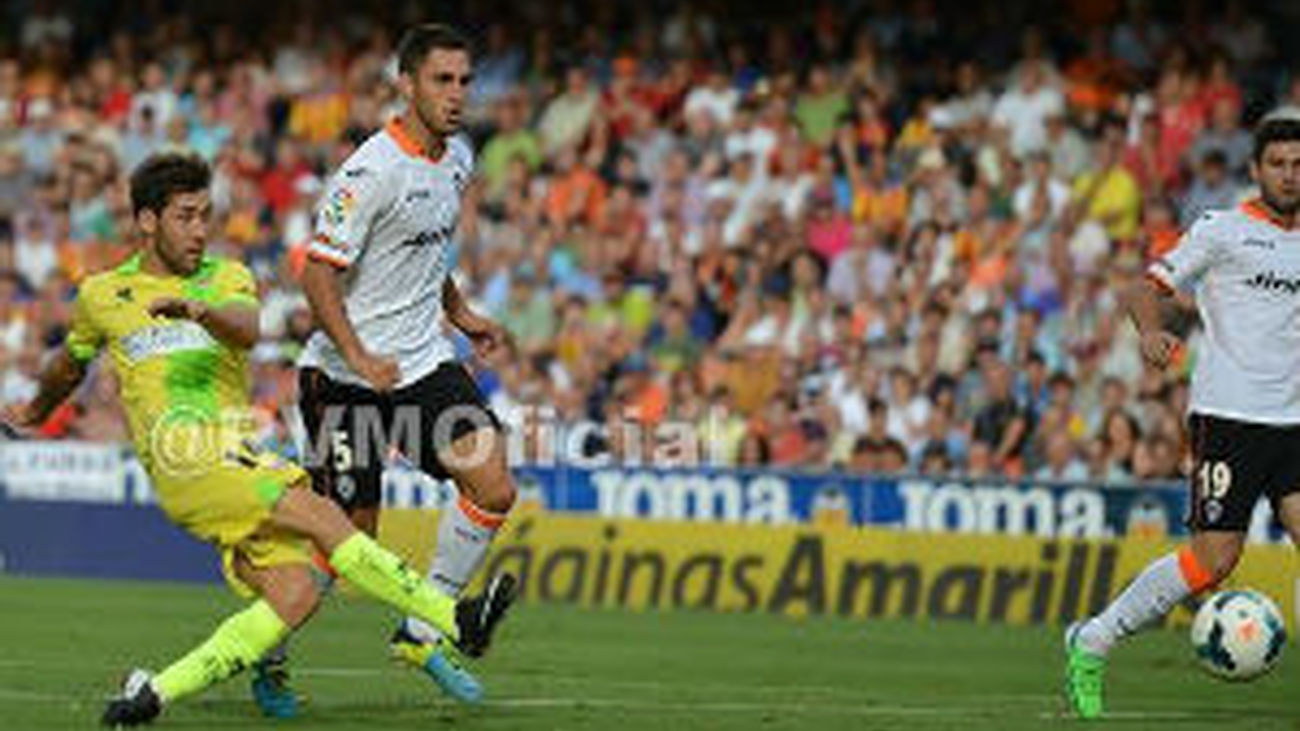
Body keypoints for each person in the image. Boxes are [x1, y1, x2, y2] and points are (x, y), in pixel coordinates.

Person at [2, 151, 516, 727]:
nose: (200, 230)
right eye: (185, 216)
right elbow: (69, 366)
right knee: (328, 519)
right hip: (186, 457)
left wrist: (196, 309)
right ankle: (452, 621)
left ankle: (149, 696)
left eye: (206, 216)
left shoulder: (227, 278)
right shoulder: (103, 294)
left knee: (294, 591)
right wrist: (34, 409)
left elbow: (247, 331)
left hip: (232, 453)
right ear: (147, 221)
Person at [293, 23, 517, 707]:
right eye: (441, 80)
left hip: (420, 364)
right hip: (344, 376)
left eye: (464, 80)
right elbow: (317, 275)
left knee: (493, 483)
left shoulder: (458, 158)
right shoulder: (370, 172)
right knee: (349, 544)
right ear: (407, 84)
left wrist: (462, 313)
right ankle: (267, 651)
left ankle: (422, 631)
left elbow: (425, 254)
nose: (456, 94)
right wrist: (358, 353)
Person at [1064, 116, 1300, 719]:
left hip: (1295, 420)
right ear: (1255, 170)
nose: (1290, 175)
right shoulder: (1223, 230)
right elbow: (1145, 289)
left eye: (1299, 164)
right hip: (1230, 417)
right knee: (1213, 562)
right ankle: (1093, 640)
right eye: (1278, 164)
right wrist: (1149, 333)